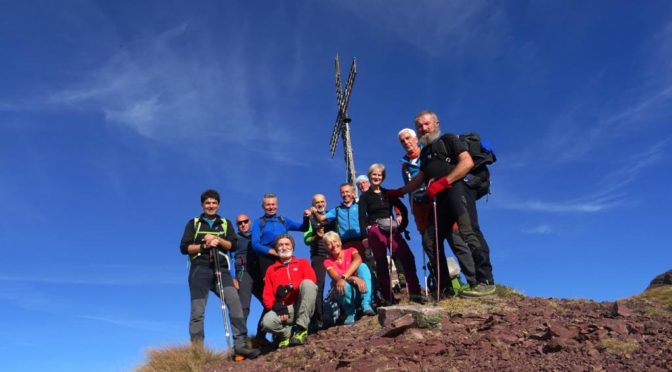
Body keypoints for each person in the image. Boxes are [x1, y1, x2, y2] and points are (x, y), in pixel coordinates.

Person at [388, 110, 496, 297]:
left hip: (458, 191)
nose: (423, 129)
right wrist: (398, 192)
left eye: (426, 124)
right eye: (419, 126)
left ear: (436, 123)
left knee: (469, 232)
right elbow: (420, 178)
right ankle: (444, 289)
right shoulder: (426, 152)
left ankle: (485, 282)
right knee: (430, 240)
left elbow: (467, 163)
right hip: (439, 199)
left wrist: (445, 182)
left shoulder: (449, 139)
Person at [179, 189, 260, 358]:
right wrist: (204, 246)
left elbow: (233, 245)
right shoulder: (193, 223)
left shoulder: (225, 223)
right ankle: (197, 352)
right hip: (199, 270)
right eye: (207, 203)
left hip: (221, 270)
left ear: (218, 205)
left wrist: (218, 240)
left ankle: (240, 345)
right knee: (197, 311)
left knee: (234, 302)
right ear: (202, 205)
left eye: (214, 203)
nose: (211, 206)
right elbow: (184, 248)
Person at [399, 128, 467, 298]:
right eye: (402, 141)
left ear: (415, 138)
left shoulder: (429, 152)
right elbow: (409, 189)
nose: (406, 142)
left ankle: (475, 282)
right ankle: (444, 288)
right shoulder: (405, 166)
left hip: (441, 200)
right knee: (431, 245)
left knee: (455, 239)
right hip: (422, 208)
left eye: (408, 138)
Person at [358, 163, 425, 304]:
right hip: (375, 228)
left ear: (383, 177)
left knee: (407, 256)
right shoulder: (365, 197)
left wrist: (402, 226)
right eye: (374, 174)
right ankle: (388, 297)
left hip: (391, 229)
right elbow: (362, 217)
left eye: (379, 174)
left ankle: (415, 292)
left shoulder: (388, 194)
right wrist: (365, 236)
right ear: (370, 176)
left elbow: (403, 209)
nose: (376, 177)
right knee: (381, 262)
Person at [250, 193, 311, 341]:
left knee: (286, 291)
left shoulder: (283, 220)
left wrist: (306, 217)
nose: (271, 207)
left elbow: (303, 228)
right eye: (267, 205)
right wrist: (271, 251)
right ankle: (263, 335)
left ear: (277, 205)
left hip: (283, 256)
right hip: (266, 259)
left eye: (273, 204)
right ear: (263, 206)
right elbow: (255, 243)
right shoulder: (259, 222)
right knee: (272, 294)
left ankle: (284, 328)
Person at [261, 234, 318, 348]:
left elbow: (311, 280)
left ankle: (301, 329)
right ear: (276, 249)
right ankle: (287, 334)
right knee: (266, 322)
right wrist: (276, 307)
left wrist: (291, 287)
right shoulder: (271, 270)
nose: (284, 247)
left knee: (308, 284)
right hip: (286, 310)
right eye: (280, 245)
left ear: (292, 247)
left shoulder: (303, 262)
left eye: (287, 244)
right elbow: (267, 295)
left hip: (303, 305)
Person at [323, 232, 375, 324]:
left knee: (362, 266)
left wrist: (345, 276)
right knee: (341, 284)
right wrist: (353, 278)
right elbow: (336, 277)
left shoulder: (351, 250)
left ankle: (366, 303)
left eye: (335, 241)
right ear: (326, 248)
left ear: (340, 242)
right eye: (329, 244)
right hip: (347, 293)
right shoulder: (327, 262)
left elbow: (358, 259)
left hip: (361, 289)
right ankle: (350, 312)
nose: (333, 245)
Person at [303, 194, 336, 331]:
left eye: (322, 201)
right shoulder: (309, 218)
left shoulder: (332, 214)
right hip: (318, 255)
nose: (320, 204)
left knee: (341, 280)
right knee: (319, 285)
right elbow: (306, 240)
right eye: (317, 202)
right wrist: (317, 236)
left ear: (326, 202)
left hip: (334, 253)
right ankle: (319, 318)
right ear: (313, 203)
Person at [231, 214, 261, 332]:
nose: (243, 224)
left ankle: (261, 336)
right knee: (244, 307)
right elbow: (230, 258)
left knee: (270, 303)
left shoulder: (257, 236)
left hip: (258, 272)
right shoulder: (235, 239)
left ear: (250, 221)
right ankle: (240, 339)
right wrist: (233, 277)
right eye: (239, 223)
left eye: (245, 221)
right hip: (243, 272)